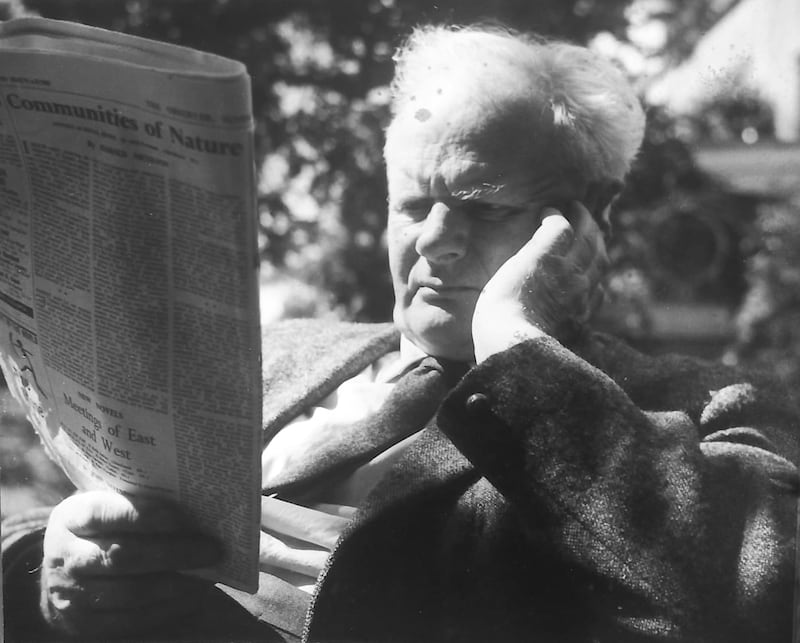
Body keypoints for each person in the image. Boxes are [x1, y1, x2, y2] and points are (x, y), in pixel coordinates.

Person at [3, 24, 798, 643]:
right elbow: (47, 529)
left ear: (592, 221)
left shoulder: (705, 410)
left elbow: (745, 605)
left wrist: (517, 341)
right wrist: (58, 569)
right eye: (414, 204)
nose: (434, 240)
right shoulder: (279, 350)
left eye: (485, 206)